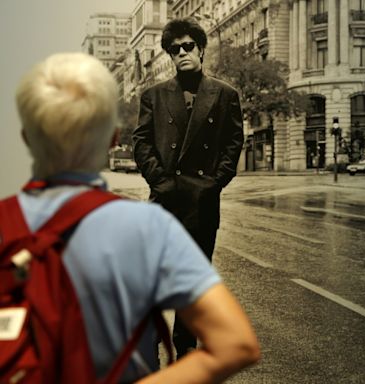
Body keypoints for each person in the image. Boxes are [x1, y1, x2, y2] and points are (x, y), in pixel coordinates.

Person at [11, 52, 259, 383]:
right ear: (114, 139)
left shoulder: (7, 224)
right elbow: (237, 344)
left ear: (27, 137)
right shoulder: (148, 228)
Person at [132, 17, 244, 358]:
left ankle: (185, 347)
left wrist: (212, 185)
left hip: (202, 202)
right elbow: (142, 142)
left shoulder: (224, 94)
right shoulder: (153, 95)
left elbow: (233, 143)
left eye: (187, 46)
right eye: (173, 49)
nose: (181, 53)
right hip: (164, 200)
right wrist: (160, 181)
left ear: (200, 48)